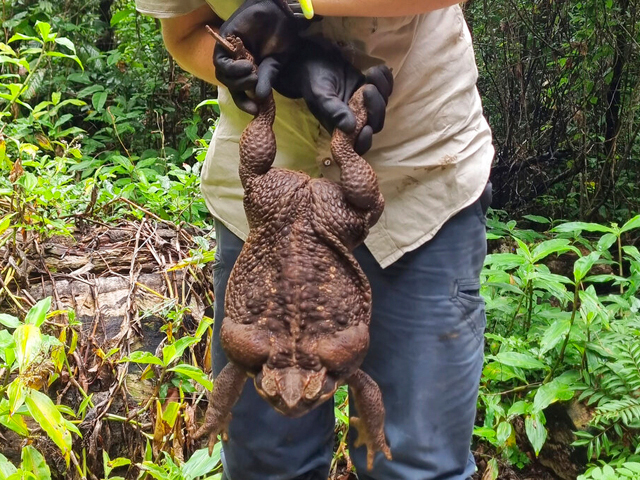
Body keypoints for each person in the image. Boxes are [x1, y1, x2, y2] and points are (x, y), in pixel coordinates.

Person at [135, 1, 494, 479]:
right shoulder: (269, 361)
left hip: (418, 179)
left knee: (416, 466)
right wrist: (258, 70)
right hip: (266, 205)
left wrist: (294, 4)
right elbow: (184, 34)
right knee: (265, 466)